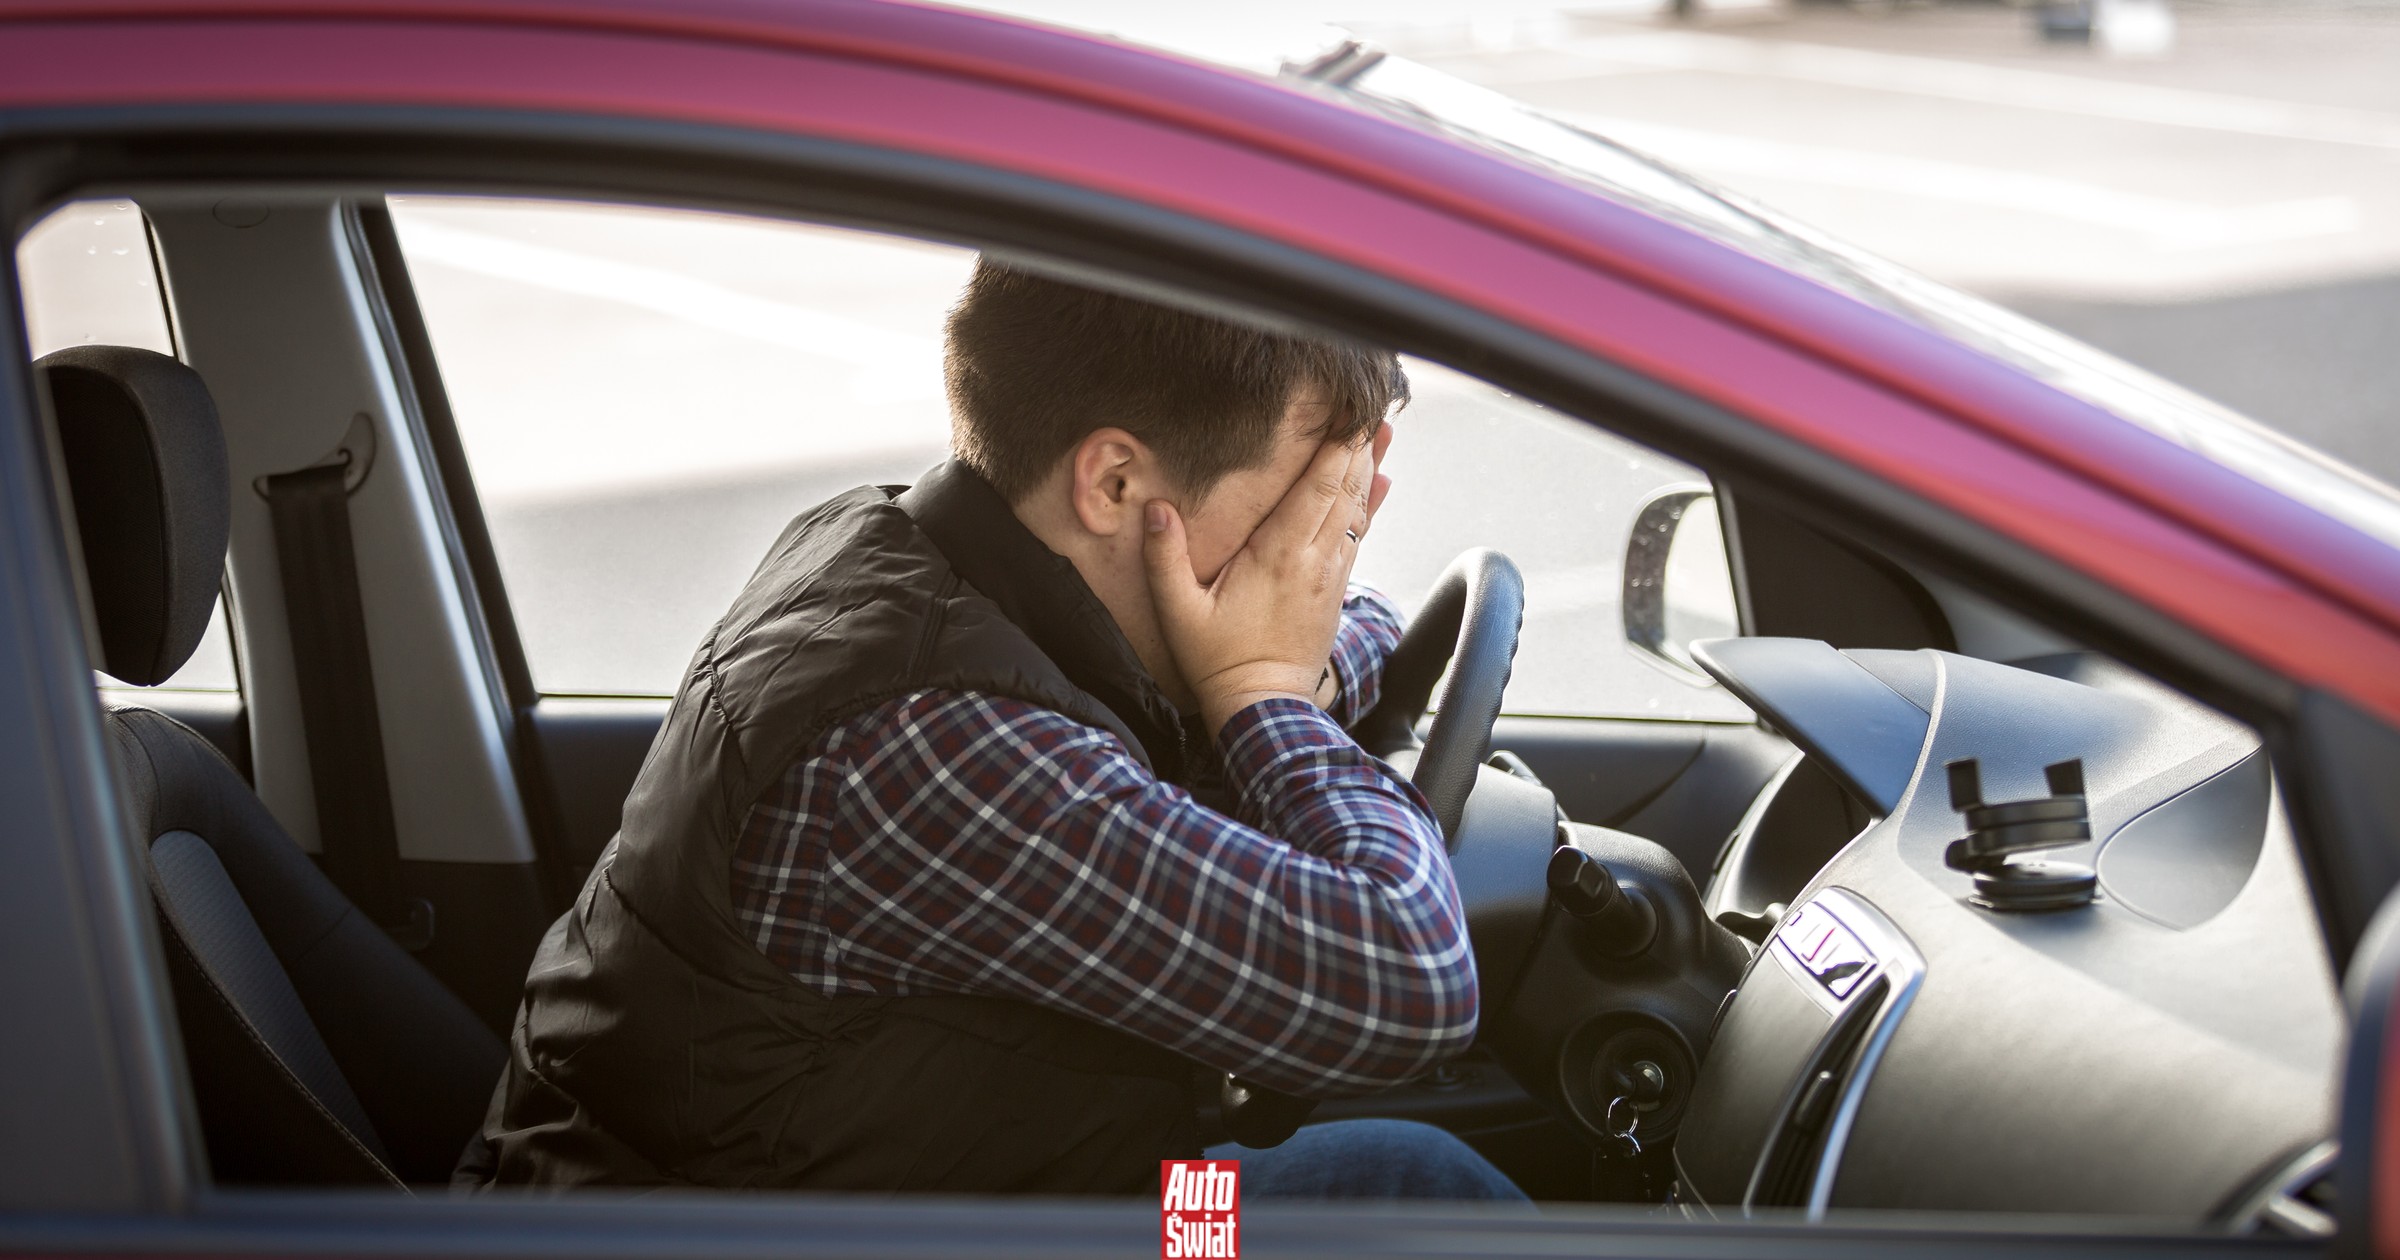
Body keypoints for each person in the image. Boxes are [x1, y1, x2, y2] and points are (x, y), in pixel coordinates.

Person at [463, 259, 1523, 1202]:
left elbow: (1343, 616)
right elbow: (1412, 985)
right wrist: (1267, 699)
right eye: (1296, 505)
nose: (1309, 553)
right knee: (1421, 1191)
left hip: (1040, 1185)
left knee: (1399, 1181)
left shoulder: (905, 546)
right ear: (1114, 481)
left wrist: (1290, 663)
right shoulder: (929, 743)